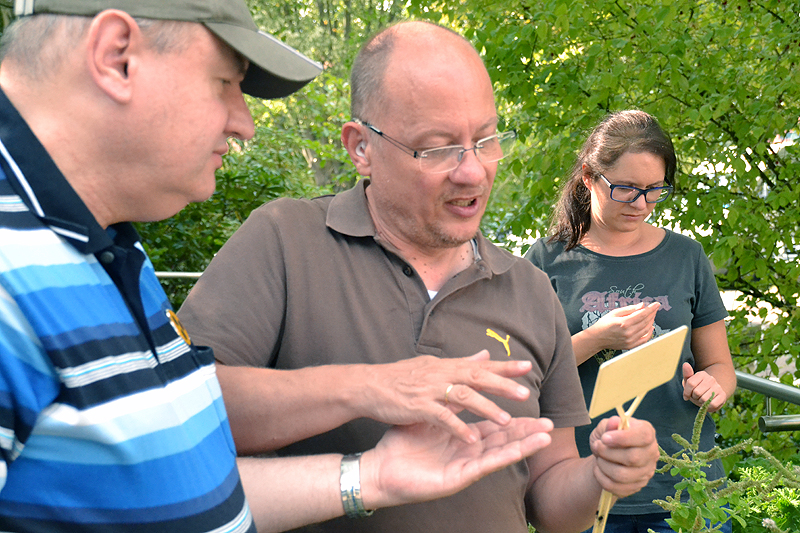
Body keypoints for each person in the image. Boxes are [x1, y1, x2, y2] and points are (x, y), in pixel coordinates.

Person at [0, 2, 562, 531]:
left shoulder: (106, 252)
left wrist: (368, 477)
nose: (244, 123)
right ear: (116, 55)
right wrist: (367, 390)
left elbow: (179, 479)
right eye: (225, 83)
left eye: (484, 139)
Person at [178, 21, 660, 533]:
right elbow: (177, 416)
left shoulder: (530, 288)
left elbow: (549, 500)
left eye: (485, 139)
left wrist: (601, 476)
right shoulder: (283, 240)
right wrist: (367, 386)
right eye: (437, 148)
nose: (472, 172)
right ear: (360, 147)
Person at [525, 109, 737, 533]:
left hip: (688, 488)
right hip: (585, 491)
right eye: (625, 189)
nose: (640, 204)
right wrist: (596, 338)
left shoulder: (686, 257)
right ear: (589, 177)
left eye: (654, 190)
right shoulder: (546, 261)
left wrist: (713, 387)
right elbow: (526, 374)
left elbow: (722, 368)